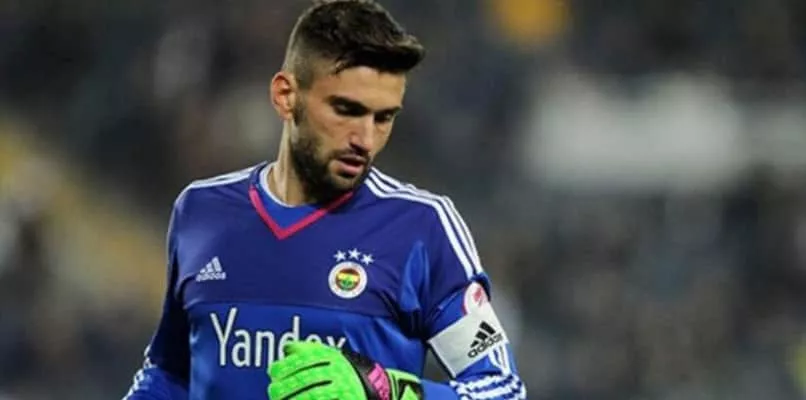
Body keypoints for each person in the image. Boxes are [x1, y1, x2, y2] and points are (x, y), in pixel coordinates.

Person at [124, 0, 525, 398]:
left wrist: (386, 391)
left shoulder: (421, 227)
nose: (365, 139)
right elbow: (170, 375)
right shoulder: (201, 212)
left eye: (383, 117)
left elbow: (502, 389)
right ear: (285, 96)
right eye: (346, 110)